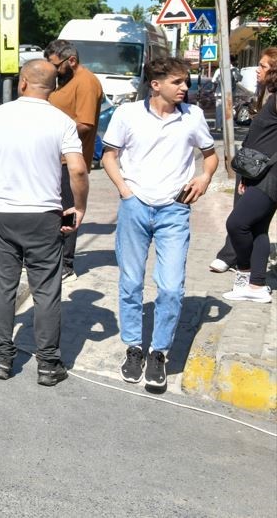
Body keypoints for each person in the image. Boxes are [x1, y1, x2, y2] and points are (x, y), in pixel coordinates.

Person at [0, 59, 87, 386]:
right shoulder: (62, 121)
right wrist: (79, 207)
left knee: (3, 287)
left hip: (2, 214)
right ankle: (48, 365)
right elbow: (77, 169)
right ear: (54, 88)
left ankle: (2, 359)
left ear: (22, 83)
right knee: (46, 290)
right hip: (43, 215)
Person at [102, 57, 217, 391]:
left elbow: (210, 156)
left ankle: (159, 353)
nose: (184, 87)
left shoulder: (192, 116)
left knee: (170, 286)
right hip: (135, 207)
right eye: (177, 82)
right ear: (156, 85)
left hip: (174, 210)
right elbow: (109, 156)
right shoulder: (127, 114)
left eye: (185, 81)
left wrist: (204, 178)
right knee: (130, 282)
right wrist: (125, 192)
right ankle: (134, 347)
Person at [219, 48, 277, 304]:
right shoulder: (269, 96)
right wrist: (246, 176)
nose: (257, 70)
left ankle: (244, 272)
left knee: (237, 223)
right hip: (258, 172)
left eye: (263, 66)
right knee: (258, 228)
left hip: (271, 175)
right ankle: (256, 285)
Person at [44, 39, 103, 279]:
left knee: (68, 212)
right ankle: (51, 258)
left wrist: (52, 140)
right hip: (53, 159)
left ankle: (65, 264)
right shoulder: (65, 80)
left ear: (71, 60)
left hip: (69, 161)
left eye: (55, 66)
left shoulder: (86, 82)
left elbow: (85, 124)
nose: (53, 71)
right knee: (52, 211)